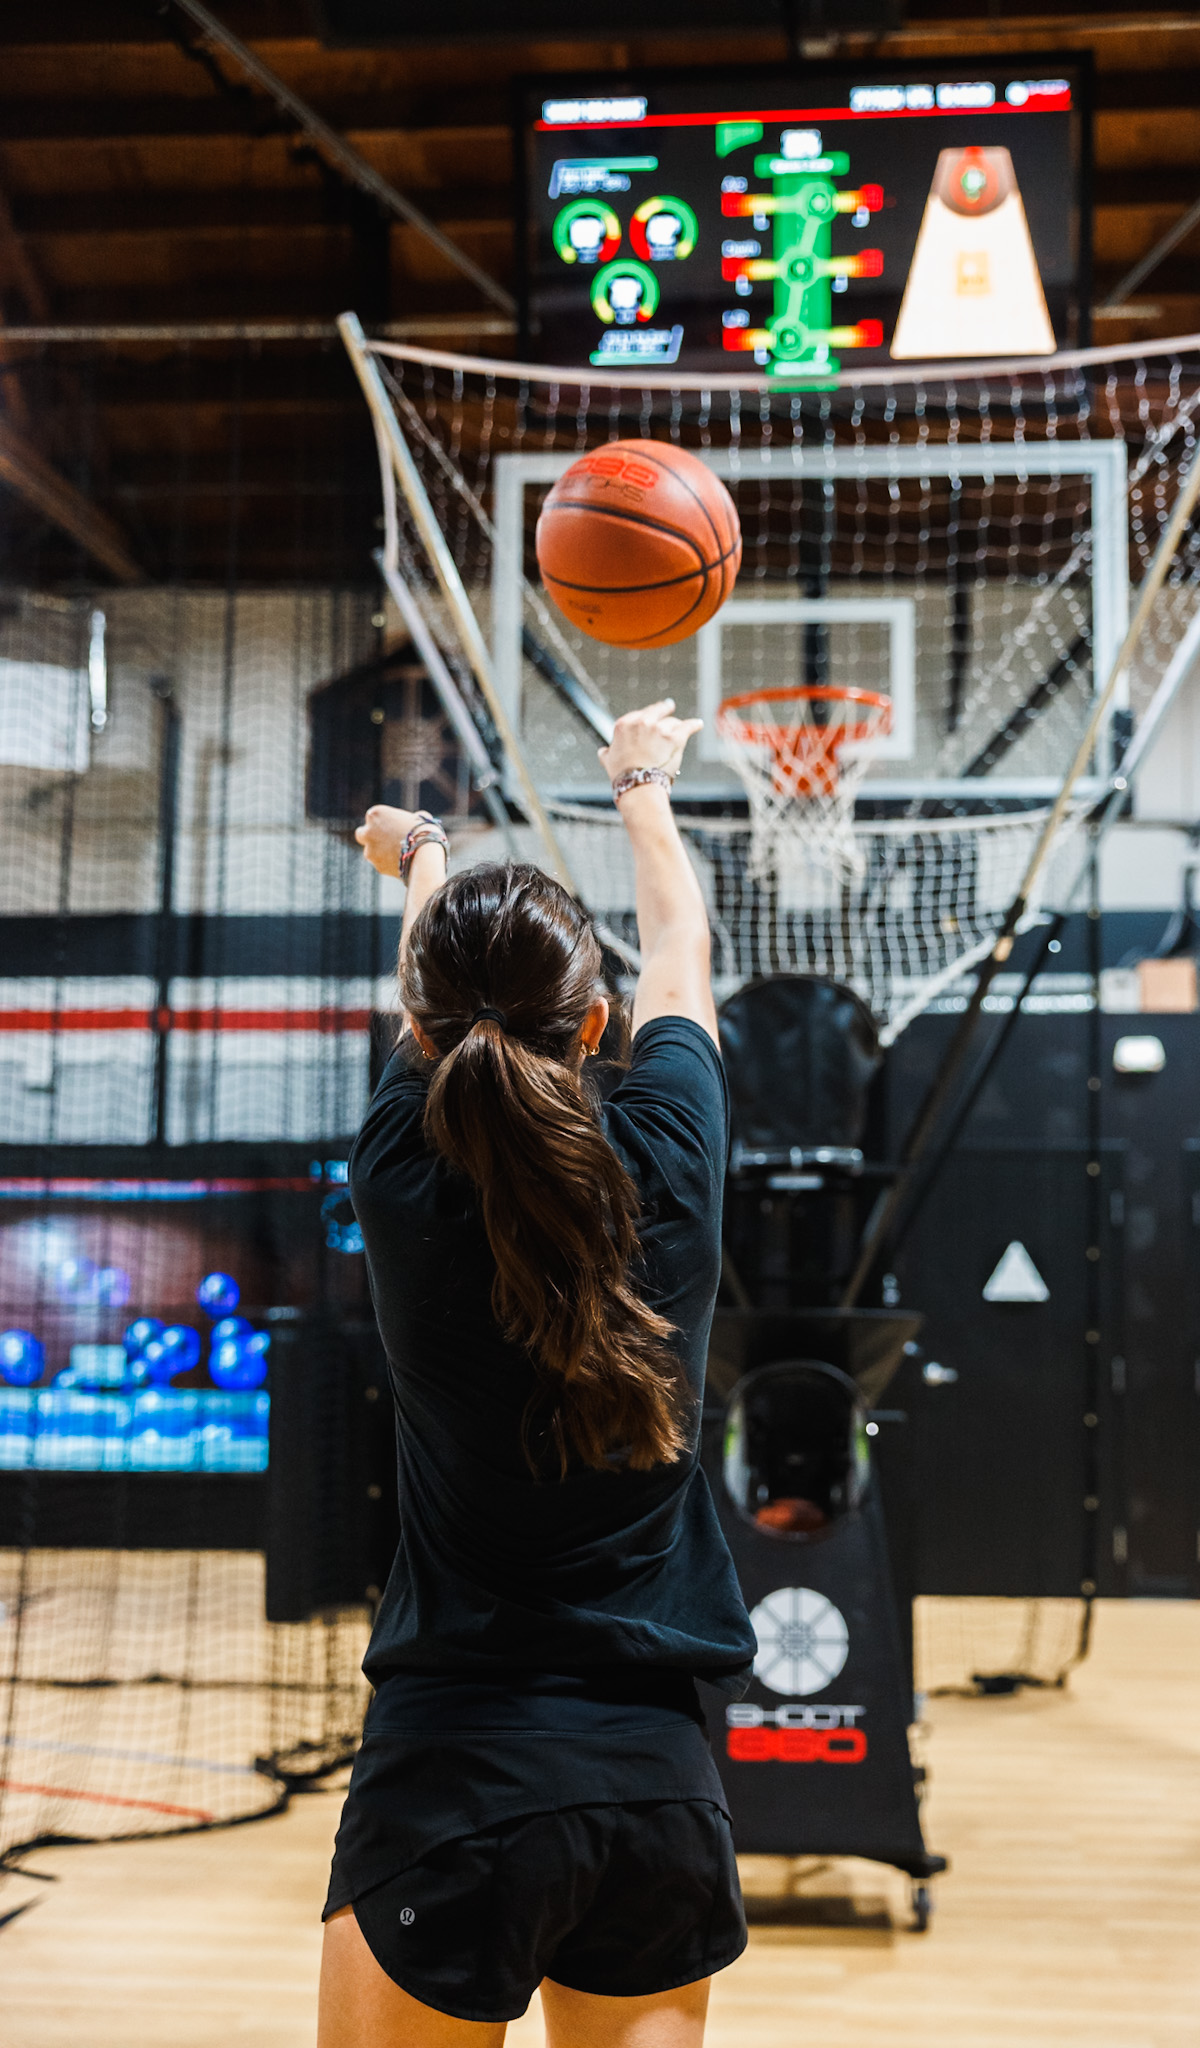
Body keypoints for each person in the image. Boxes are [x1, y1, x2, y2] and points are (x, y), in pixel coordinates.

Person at [318, 700, 756, 2048]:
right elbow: (680, 948)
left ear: (423, 1035)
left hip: (447, 1785)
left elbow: (434, 1008)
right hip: (655, 1791)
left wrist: (425, 855)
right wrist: (640, 782)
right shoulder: (673, 1158)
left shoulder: (399, 1177)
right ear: (598, 1025)